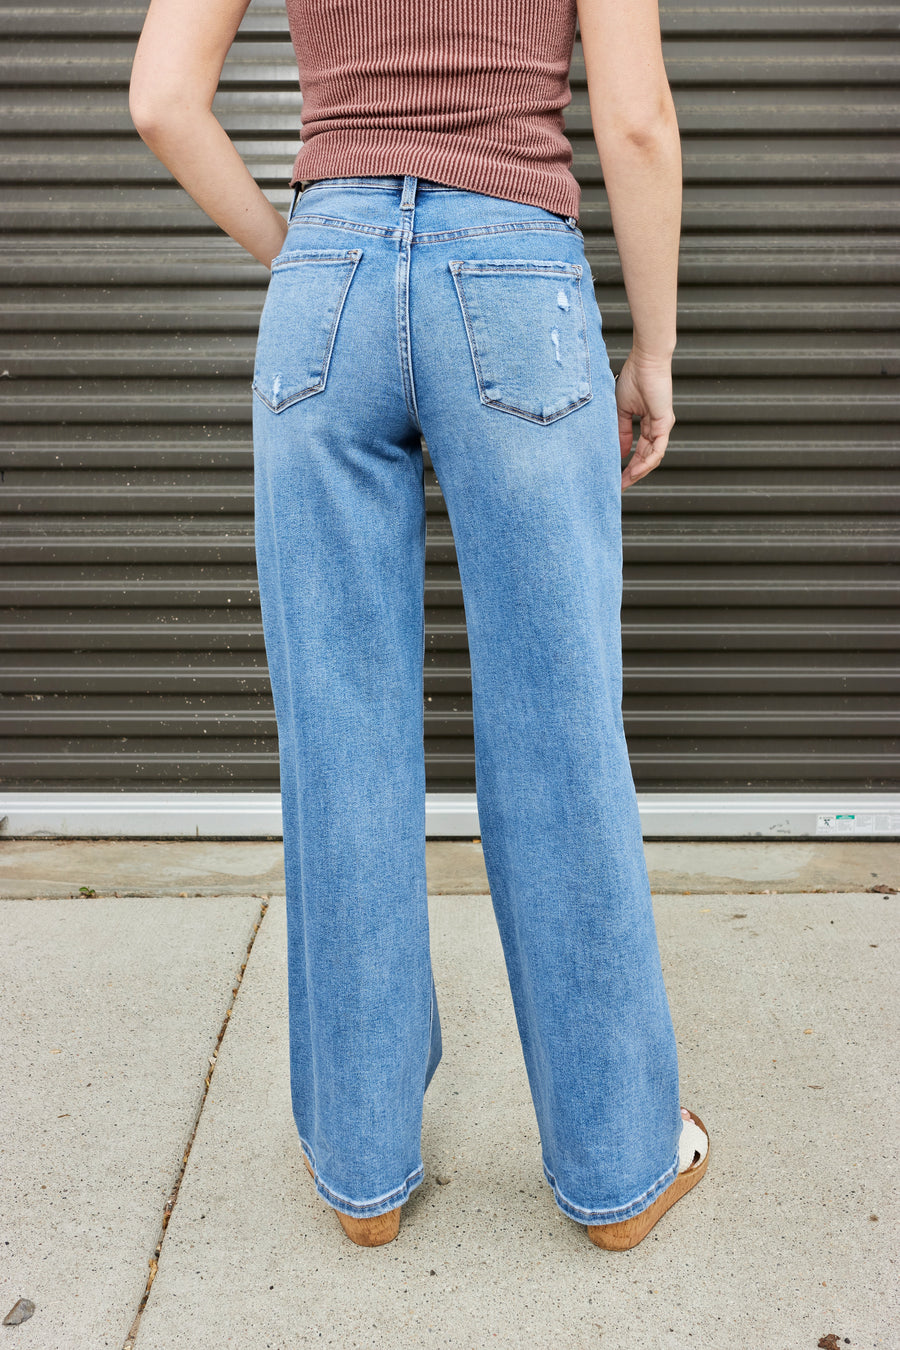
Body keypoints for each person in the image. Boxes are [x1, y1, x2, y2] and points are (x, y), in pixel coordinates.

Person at [130, 0, 710, 1250]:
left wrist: (301, 251)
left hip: (327, 276)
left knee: (339, 737)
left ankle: (364, 1173)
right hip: (513, 270)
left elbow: (163, 100)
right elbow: (636, 121)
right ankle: (618, 1169)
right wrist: (655, 352)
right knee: (561, 735)